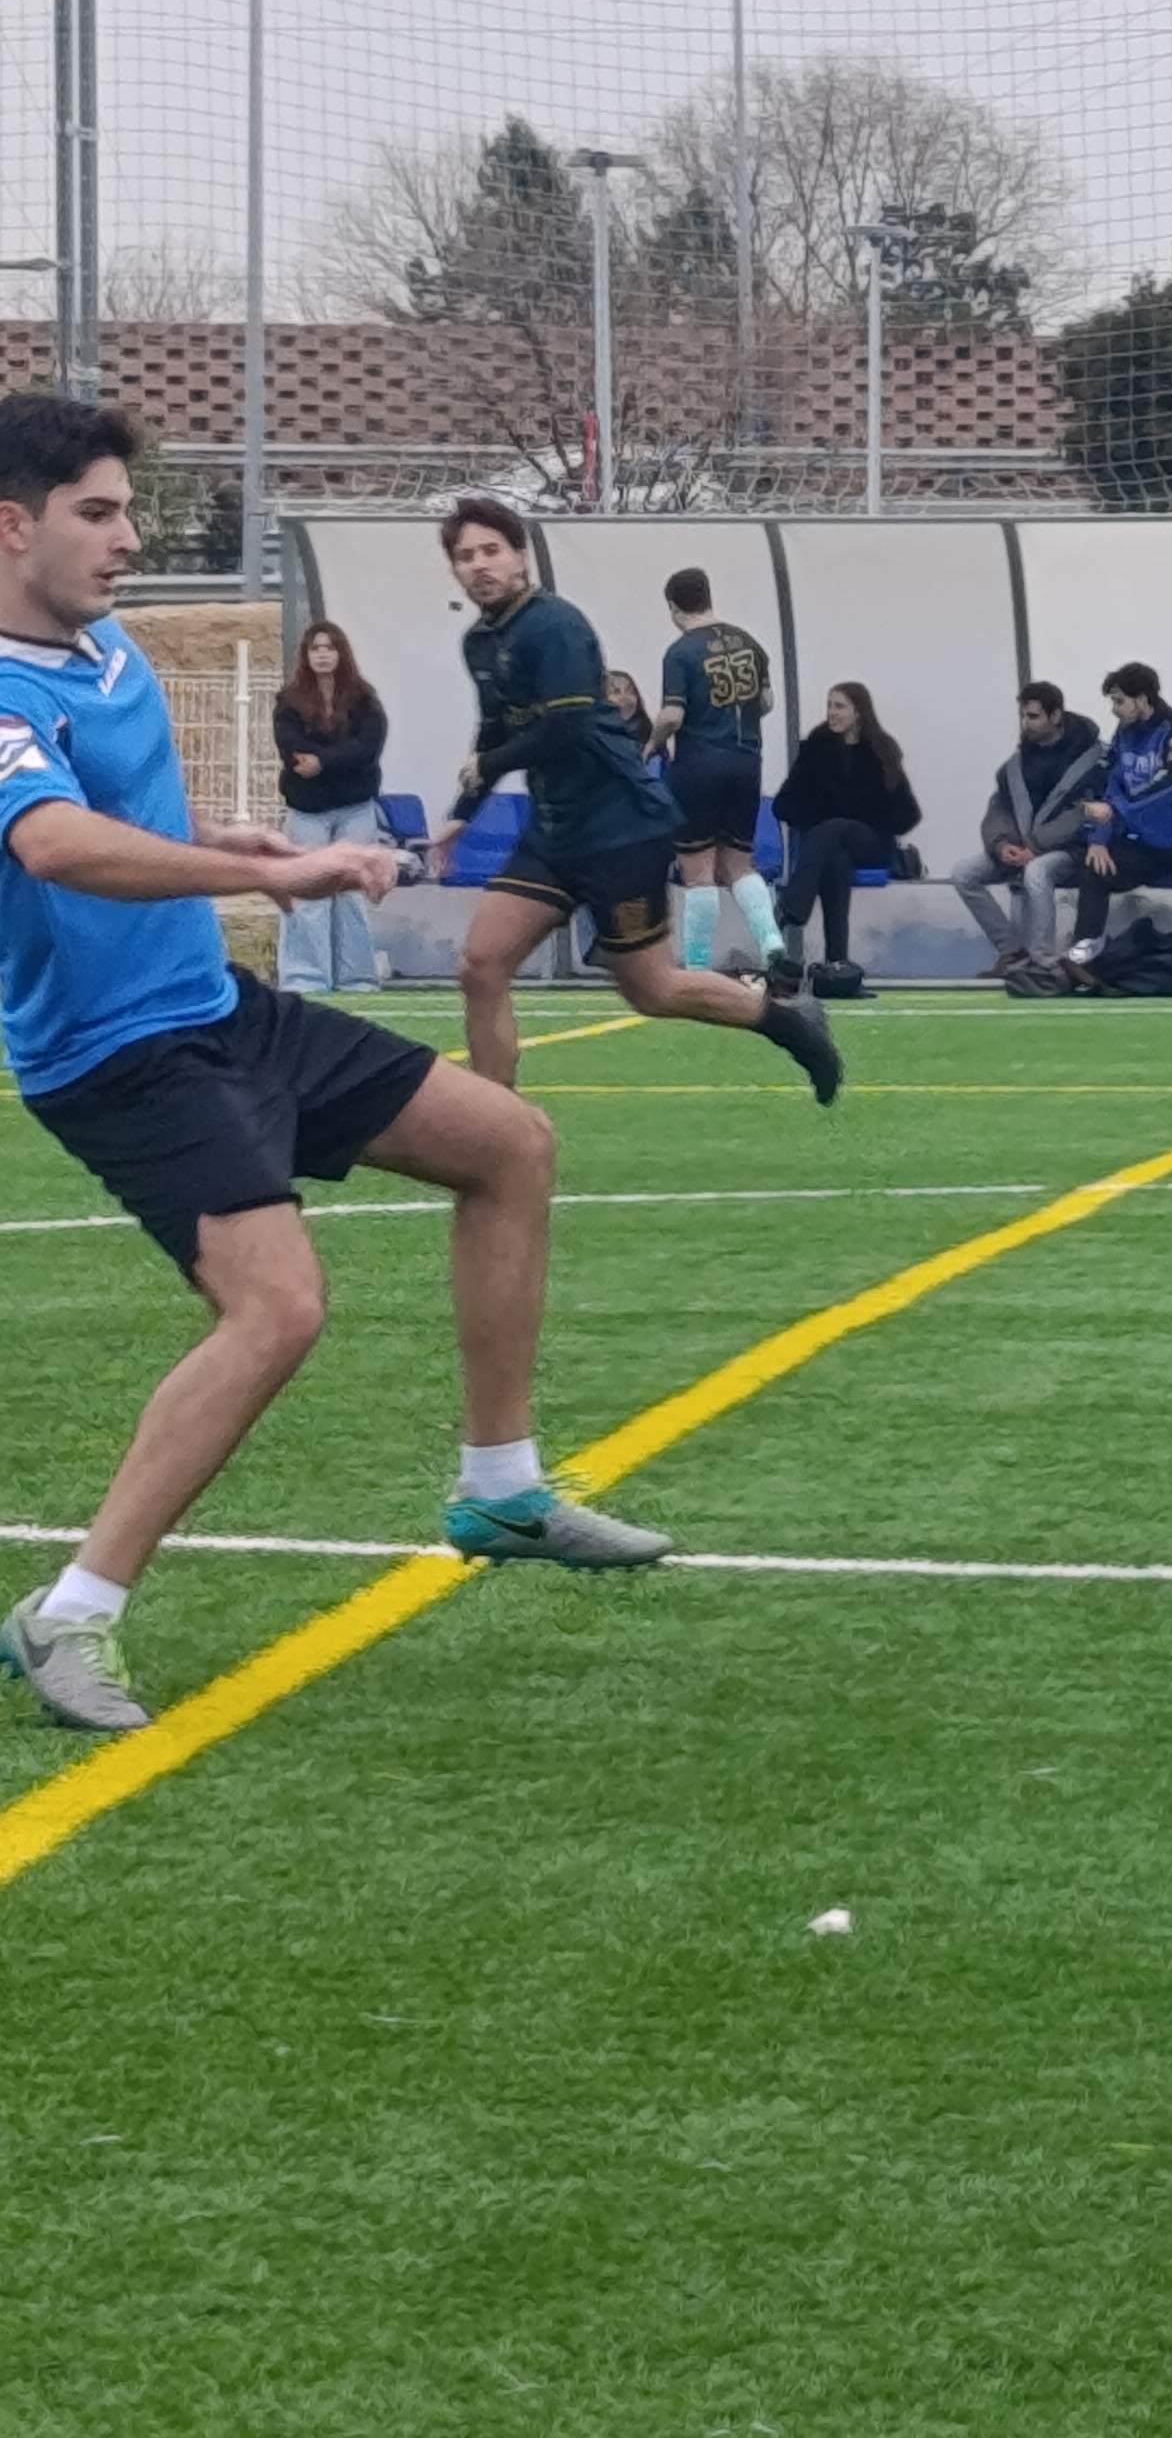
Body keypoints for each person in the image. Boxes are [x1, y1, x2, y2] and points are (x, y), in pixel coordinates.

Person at [0, 399, 677, 1733]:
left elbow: (114, 808)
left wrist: (230, 839)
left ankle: (501, 1488)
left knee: (510, 1144)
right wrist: (278, 876)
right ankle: (69, 1614)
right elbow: (54, 843)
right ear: (11, 526)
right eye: (99, 513)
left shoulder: (103, 646)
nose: (129, 539)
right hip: (120, 1059)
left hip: (221, 1011)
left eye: (128, 510)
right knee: (279, 1309)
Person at [433, 497, 840, 1103]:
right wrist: (461, 817)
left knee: (652, 989)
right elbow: (495, 730)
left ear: (520, 556)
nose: (479, 565)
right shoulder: (481, 643)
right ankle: (495, 1122)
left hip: (620, 827)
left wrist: (488, 765)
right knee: (480, 966)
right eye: (465, 556)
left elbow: (566, 726)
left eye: (492, 550)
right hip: (554, 832)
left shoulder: (555, 625)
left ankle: (788, 1019)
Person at [658, 567, 785, 979]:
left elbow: (672, 716)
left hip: (699, 764)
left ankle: (697, 965)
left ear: (673, 606)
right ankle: (770, 940)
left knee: (698, 872)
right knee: (739, 865)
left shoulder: (681, 652)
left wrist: (650, 743)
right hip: (746, 762)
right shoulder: (750, 643)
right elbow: (765, 702)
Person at [769, 682, 923, 982]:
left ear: (858, 711)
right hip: (826, 846)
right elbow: (783, 805)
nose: (831, 712)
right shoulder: (816, 747)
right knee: (836, 857)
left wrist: (868, 819)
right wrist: (819, 817)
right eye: (829, 705)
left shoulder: (882, 749)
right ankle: (837, 963)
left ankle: (791, 907)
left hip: (872, 842)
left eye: (839, 706)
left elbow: (908, 813)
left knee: (835, 829)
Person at [1068, 661, 1172, 958]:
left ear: (1141, 699)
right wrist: (1099, 839)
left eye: (1119, 701)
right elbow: (1110, 788)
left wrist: (1118, 812)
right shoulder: (1124, 734)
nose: (1114, 710)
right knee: (1093, 868)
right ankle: (1082, 958)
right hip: (1146, 845)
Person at [270, 617, 390, 996]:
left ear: (342, 653)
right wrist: (332, 758)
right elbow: (291, 748)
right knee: (308, 893)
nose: (323, 655)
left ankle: (358, 979)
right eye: (315, 648)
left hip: (355, 808)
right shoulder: (289, 701)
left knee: (352, 895)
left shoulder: (365, 699)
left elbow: (367, 749)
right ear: (306, 656)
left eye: (329, 648)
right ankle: (305, 979)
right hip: (307, 811)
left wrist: (323, 762)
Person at [955, 681, 1105, 970]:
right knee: (963, 874)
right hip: (1022, 847)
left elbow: (1082, 814)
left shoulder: (1092, 760)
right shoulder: (1016, 763)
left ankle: (1043, 960)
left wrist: (1034, 847)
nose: (1026, 723)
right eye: (1023, 716)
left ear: (1056, 715)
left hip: (1073, 851)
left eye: (1033, 716)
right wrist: (1001, 845)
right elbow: (1000, 807)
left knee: (1037, 872)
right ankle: (1013, 952)